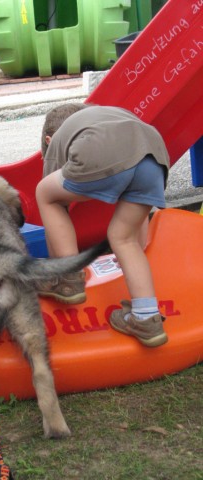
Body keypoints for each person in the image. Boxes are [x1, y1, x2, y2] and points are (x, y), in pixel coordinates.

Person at [35, 103, 170, 348]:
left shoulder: (57, 143)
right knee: (123, 238)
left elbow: (57, 208)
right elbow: (137, 232)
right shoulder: (99, 121)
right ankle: (146, 317)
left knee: (45, 194)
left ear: (48, 139)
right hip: (155, 152)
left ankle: (67, 277)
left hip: (109, 150)